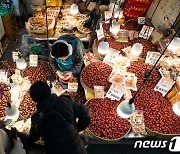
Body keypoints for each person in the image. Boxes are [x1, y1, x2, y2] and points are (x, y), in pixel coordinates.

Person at [28, 81, 91, 154]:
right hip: (77, 150)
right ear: (49, 90)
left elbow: (34, 137)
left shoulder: (37, 117)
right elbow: (86, 113)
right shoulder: (65, 101)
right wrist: (76, 128)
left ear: (34, 99)